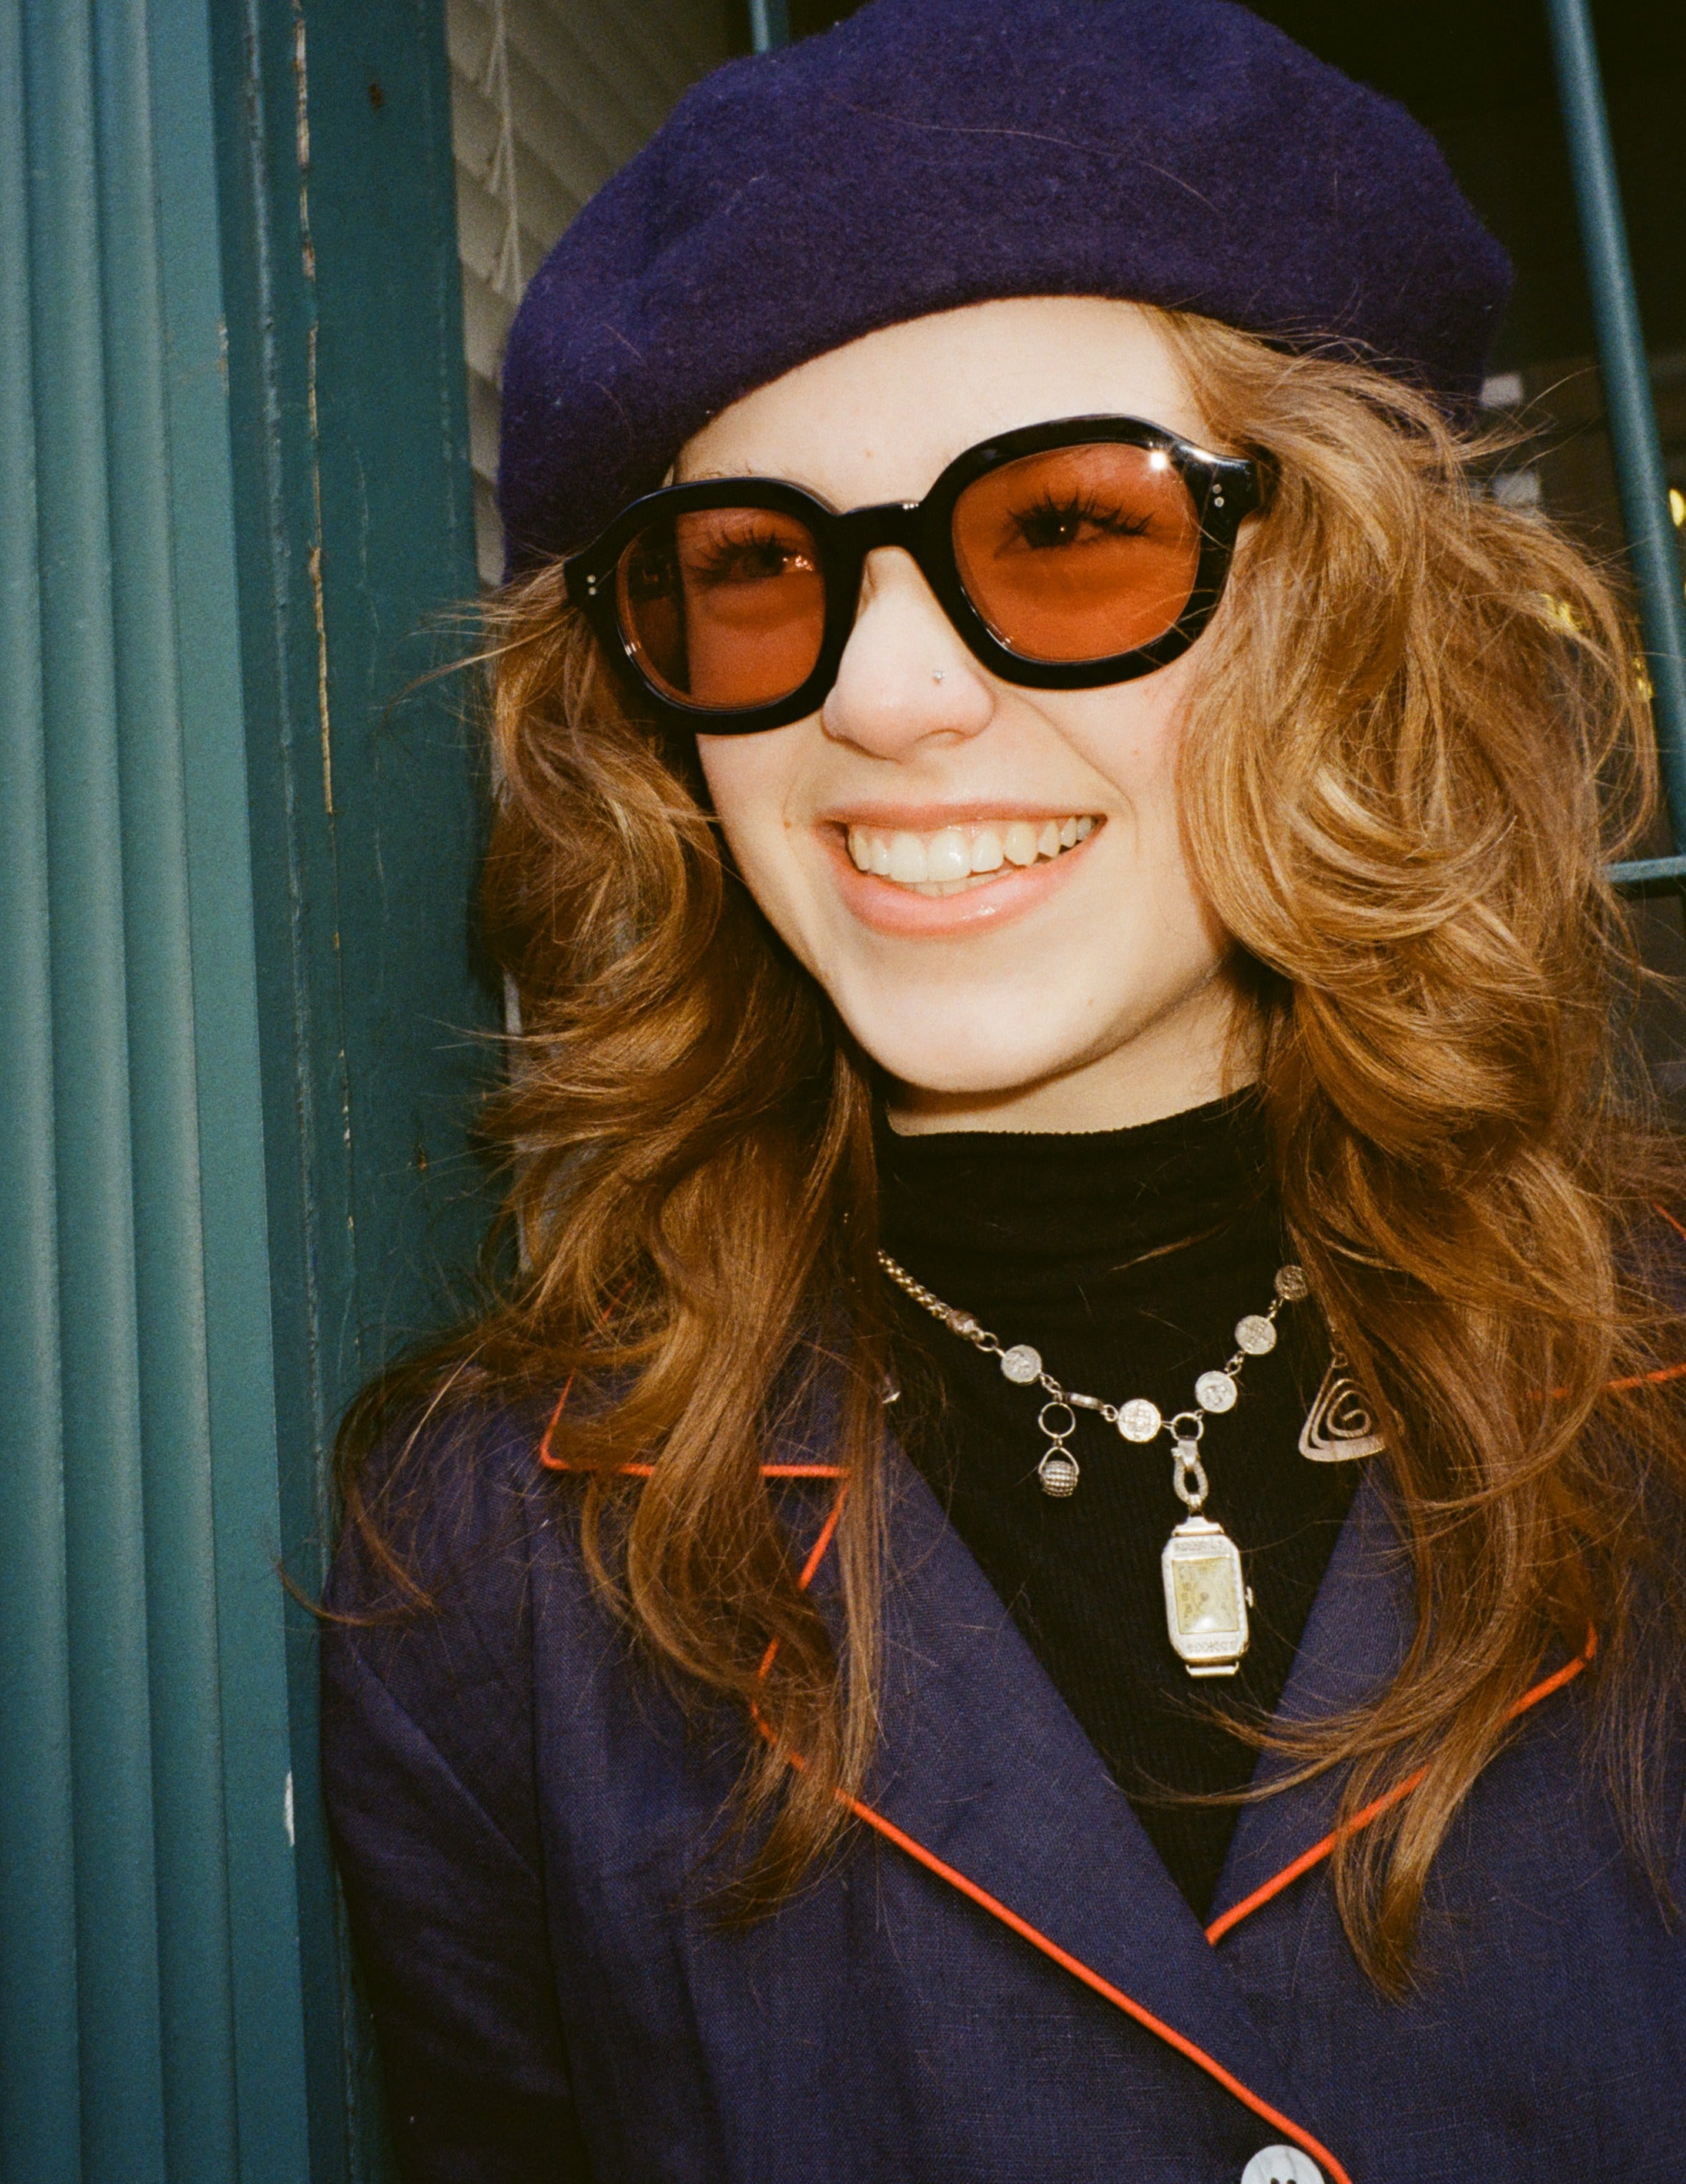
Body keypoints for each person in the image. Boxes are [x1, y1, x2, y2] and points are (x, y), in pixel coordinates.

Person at [321, 4, 1686, 2179]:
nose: (881, 697)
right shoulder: (491, 1573)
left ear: (1350, 610)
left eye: (1069, 534)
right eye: (756, 574)